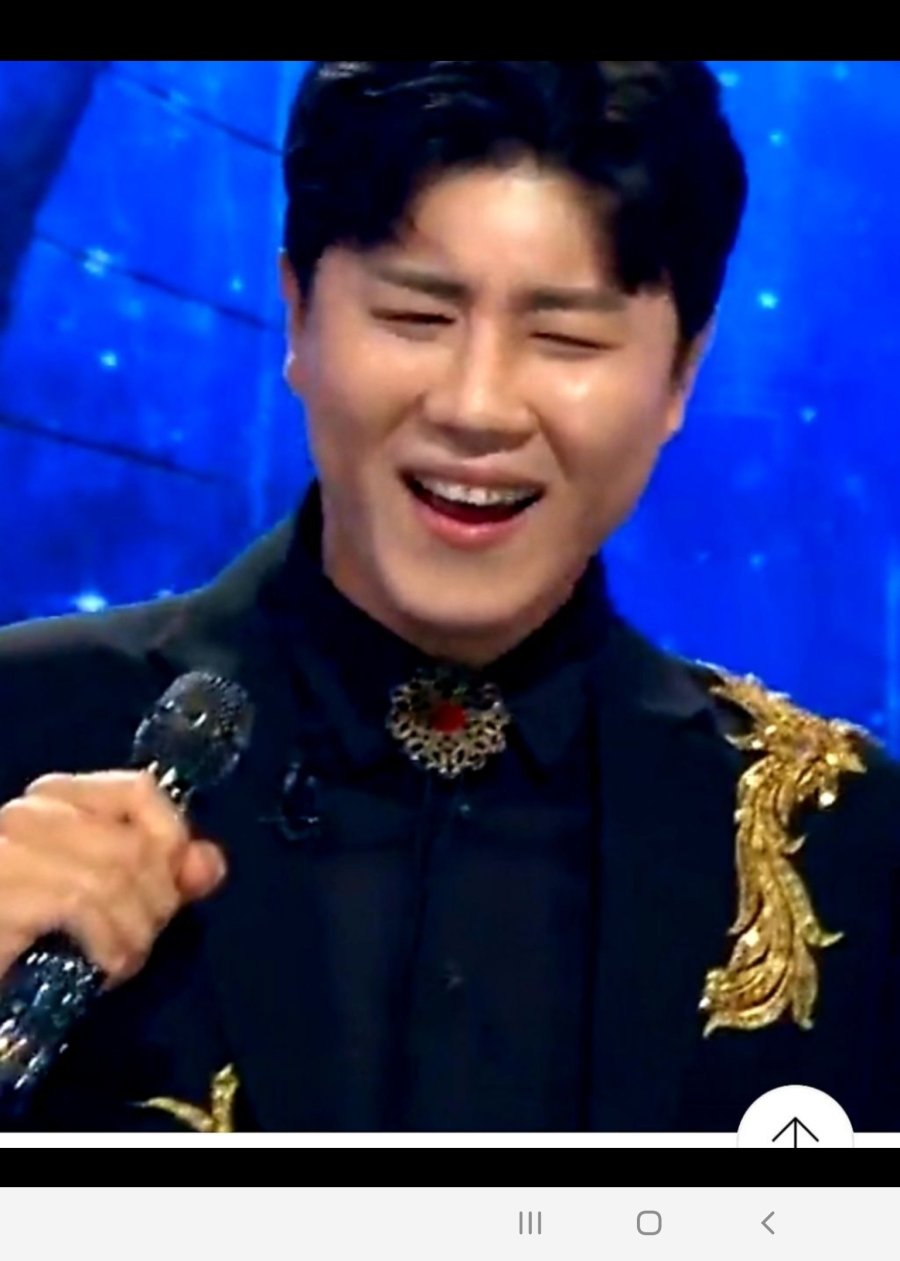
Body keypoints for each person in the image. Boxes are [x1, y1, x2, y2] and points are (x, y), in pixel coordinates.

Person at [1, 60, 898, 1134]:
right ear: (297, 314)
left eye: (566, 338)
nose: (478, 407)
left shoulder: (847, 843)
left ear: (681, 376)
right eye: (417, 315)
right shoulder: (23, 726)